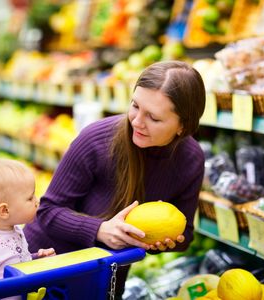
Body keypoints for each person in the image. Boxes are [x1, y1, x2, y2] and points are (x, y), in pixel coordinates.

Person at [24, 61, 206, 298]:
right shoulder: (96, 140)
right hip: (47, 269)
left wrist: (160, 241)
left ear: (183, 126)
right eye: (135, 106)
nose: (137, 122)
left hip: (105, 278)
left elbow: (186, 234)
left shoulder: (191, 160)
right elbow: (48, 211)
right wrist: (99, 230)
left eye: (153, 117)